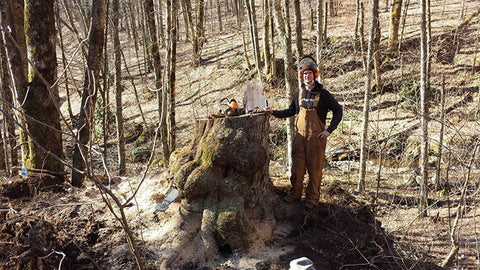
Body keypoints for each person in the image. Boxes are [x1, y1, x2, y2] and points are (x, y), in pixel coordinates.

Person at [265, 56, 343, 209]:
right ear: (302, 76)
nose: (307, 76)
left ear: (315, 75)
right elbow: (291, 111)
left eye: (310, 74)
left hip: (316, 140)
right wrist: (273, 112)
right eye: (305, 74)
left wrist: (329, 131)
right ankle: (295, 195)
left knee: (315, 171)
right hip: (299, 139)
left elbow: (338, 111)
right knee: (297, 169)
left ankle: (312, 200)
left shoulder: (323, 94)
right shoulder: (298, 94)